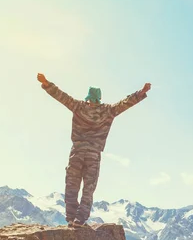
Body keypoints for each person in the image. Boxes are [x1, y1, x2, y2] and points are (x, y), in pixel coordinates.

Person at [37, 73, 151, 227]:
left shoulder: (78, 106)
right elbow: (125, 103)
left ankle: (71, 218)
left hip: (77, 152)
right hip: (93, 155)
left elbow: (61, 96)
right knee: (88, 188)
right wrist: (141, 92)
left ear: (88, 97)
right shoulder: (108, 111)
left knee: (72, 186)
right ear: (99, 98)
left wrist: (46, 83)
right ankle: (80, 219)